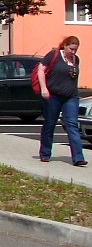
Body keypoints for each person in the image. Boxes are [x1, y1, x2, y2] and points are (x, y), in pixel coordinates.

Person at [38, 36, 86, 166]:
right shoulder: (54, 55)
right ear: (65, 45)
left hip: (71, 97)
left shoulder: (76, 59)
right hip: (53, 96)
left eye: (75, 50)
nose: (73, 52)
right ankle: (45, 153)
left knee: (72, 125)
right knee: (50, 124)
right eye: (71, 49)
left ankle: (78, 157)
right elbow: (41, 69)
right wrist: (44, 89)